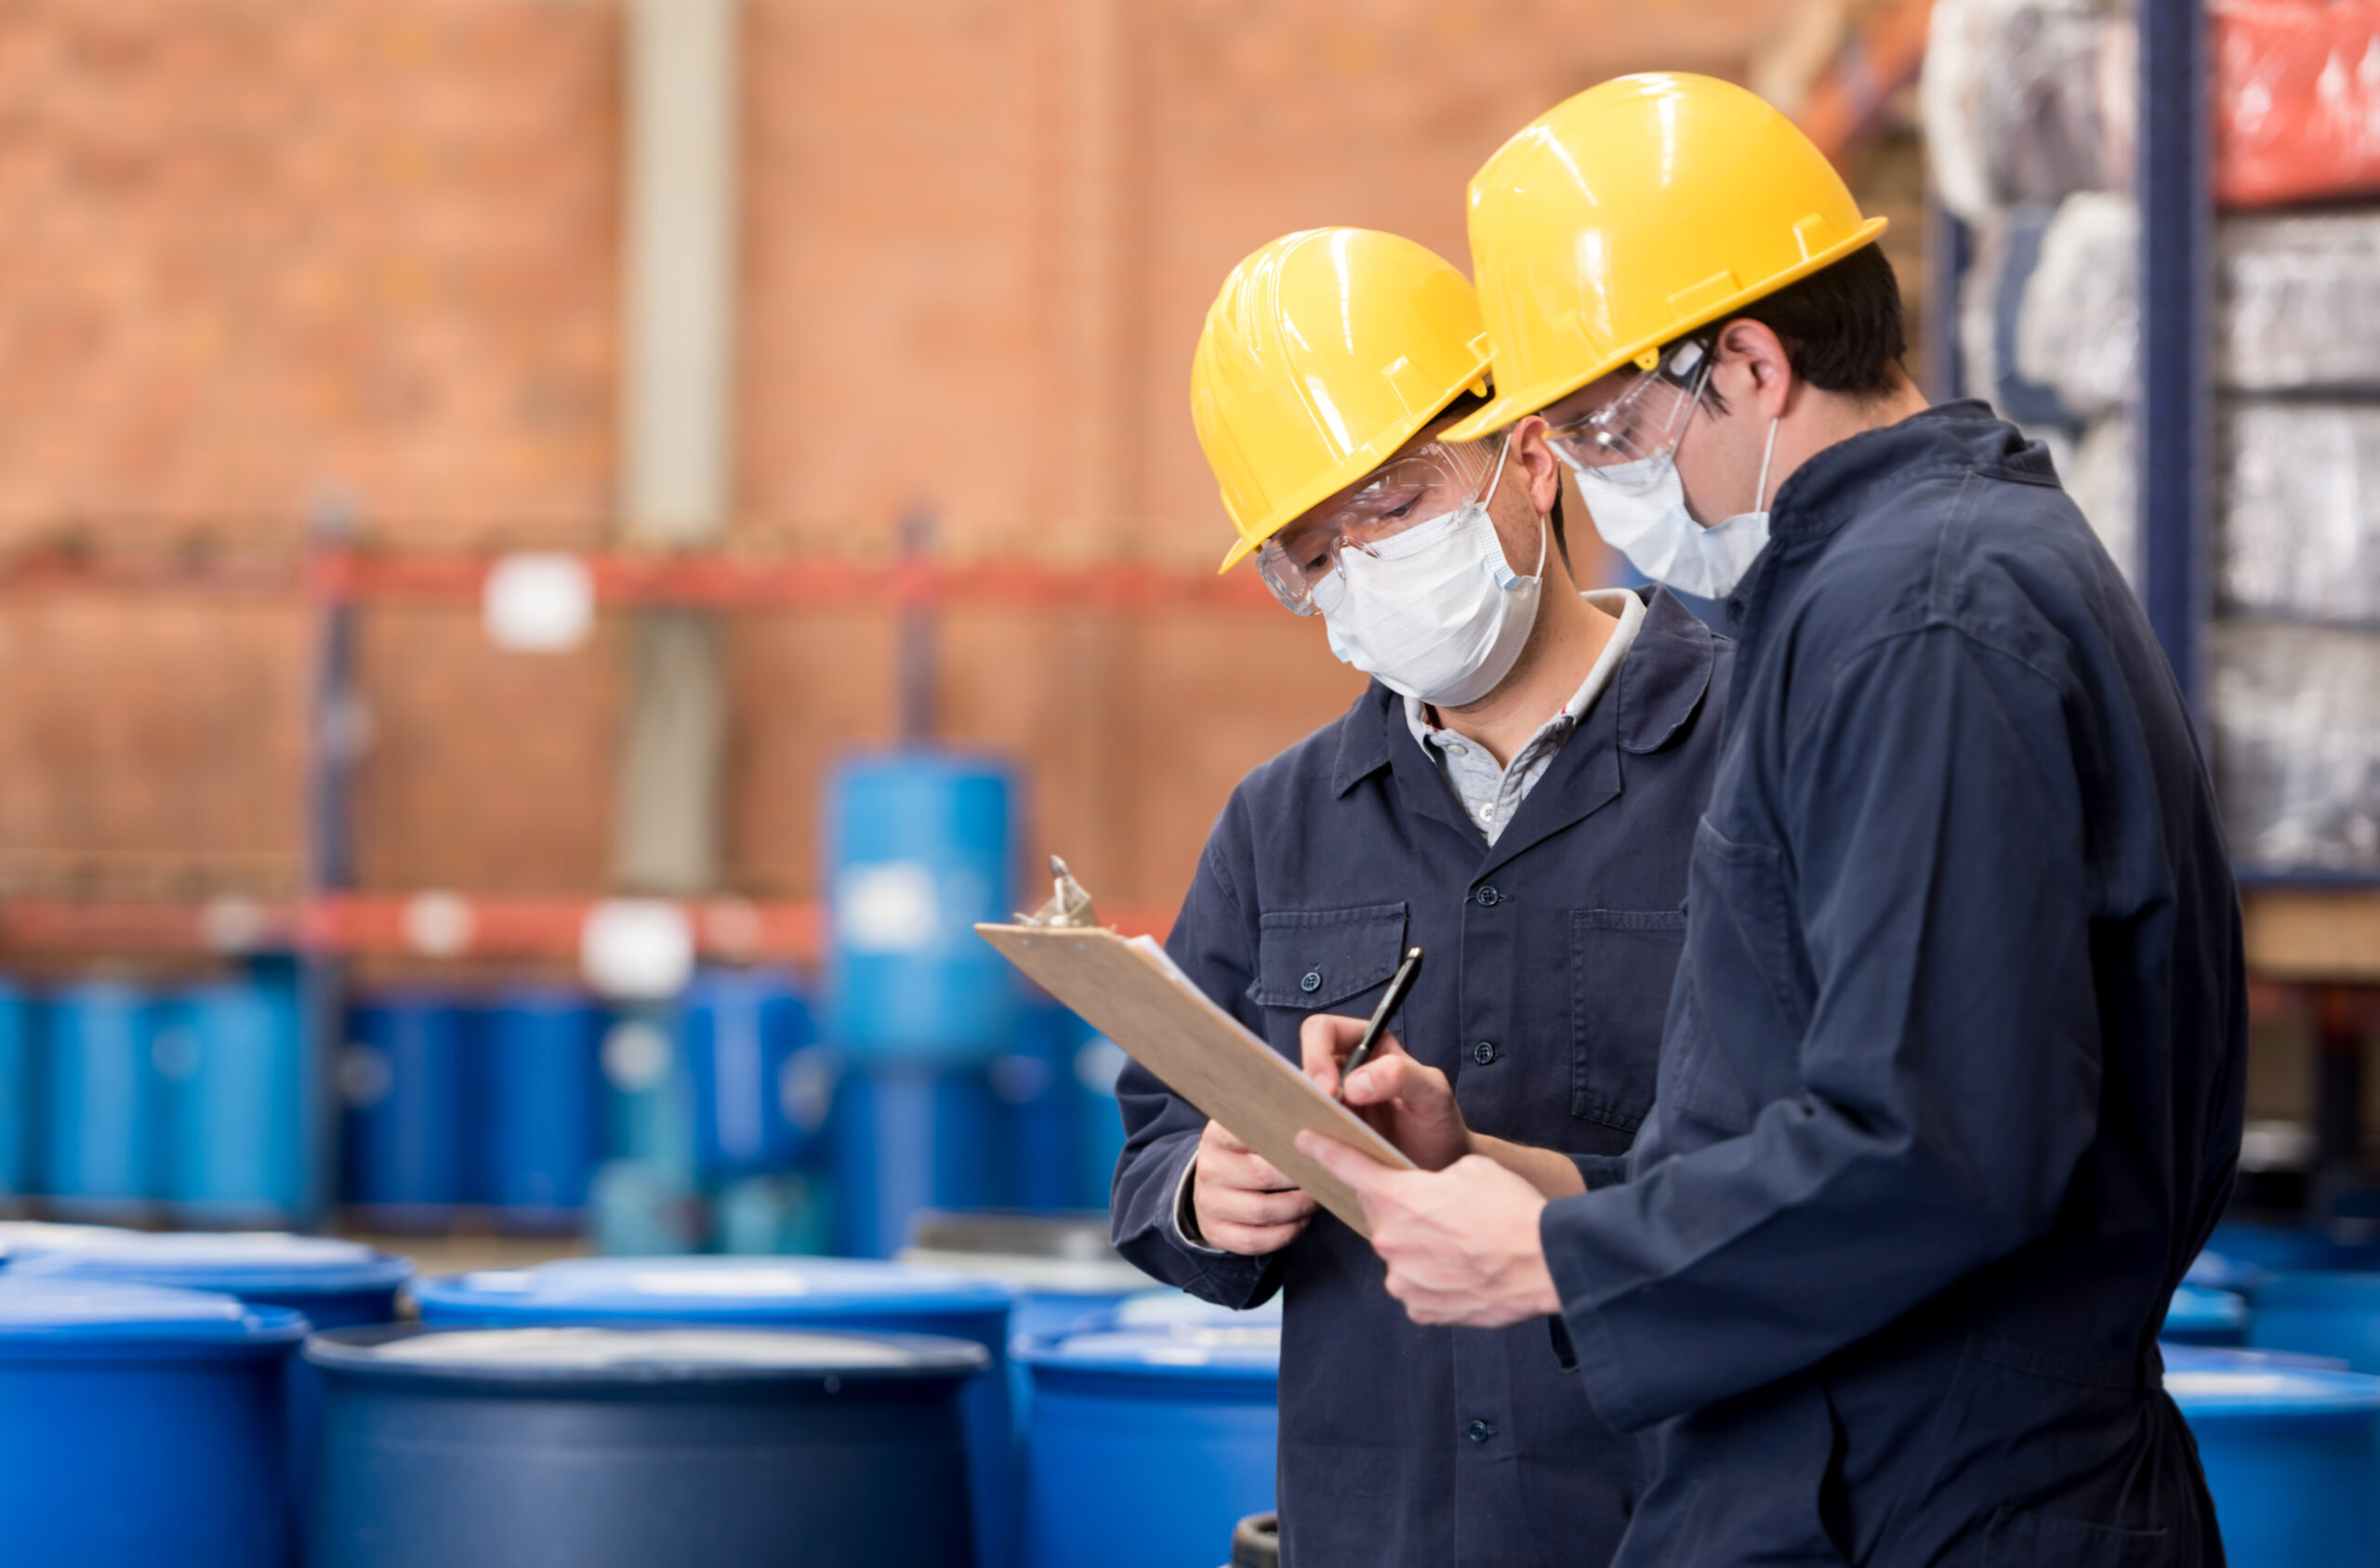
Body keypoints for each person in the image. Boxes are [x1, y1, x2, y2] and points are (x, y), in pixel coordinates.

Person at [1295, 74, 2246, 1567]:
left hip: (1935, 1506)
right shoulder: (1861, 594)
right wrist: (1506, 1168)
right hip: (1867, 1478)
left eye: (1609, 428)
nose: (1602, 494)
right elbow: (1814, 1119)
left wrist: (1554, 1259)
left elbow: (1941, 1146)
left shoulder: (1924, 619)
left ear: (1746, 361)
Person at [1109, 226, 1735, 1568]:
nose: (1361, 569)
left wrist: (1522, 1179)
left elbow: (1837, 1156)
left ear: (1531, 455)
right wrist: (1207, 1197)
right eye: (1313, 550)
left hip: (1682, 1521)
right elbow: (1155, 1139)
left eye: (1389, 503)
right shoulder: (1279, 824)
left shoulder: (1760, 757)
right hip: (1379, 1530)